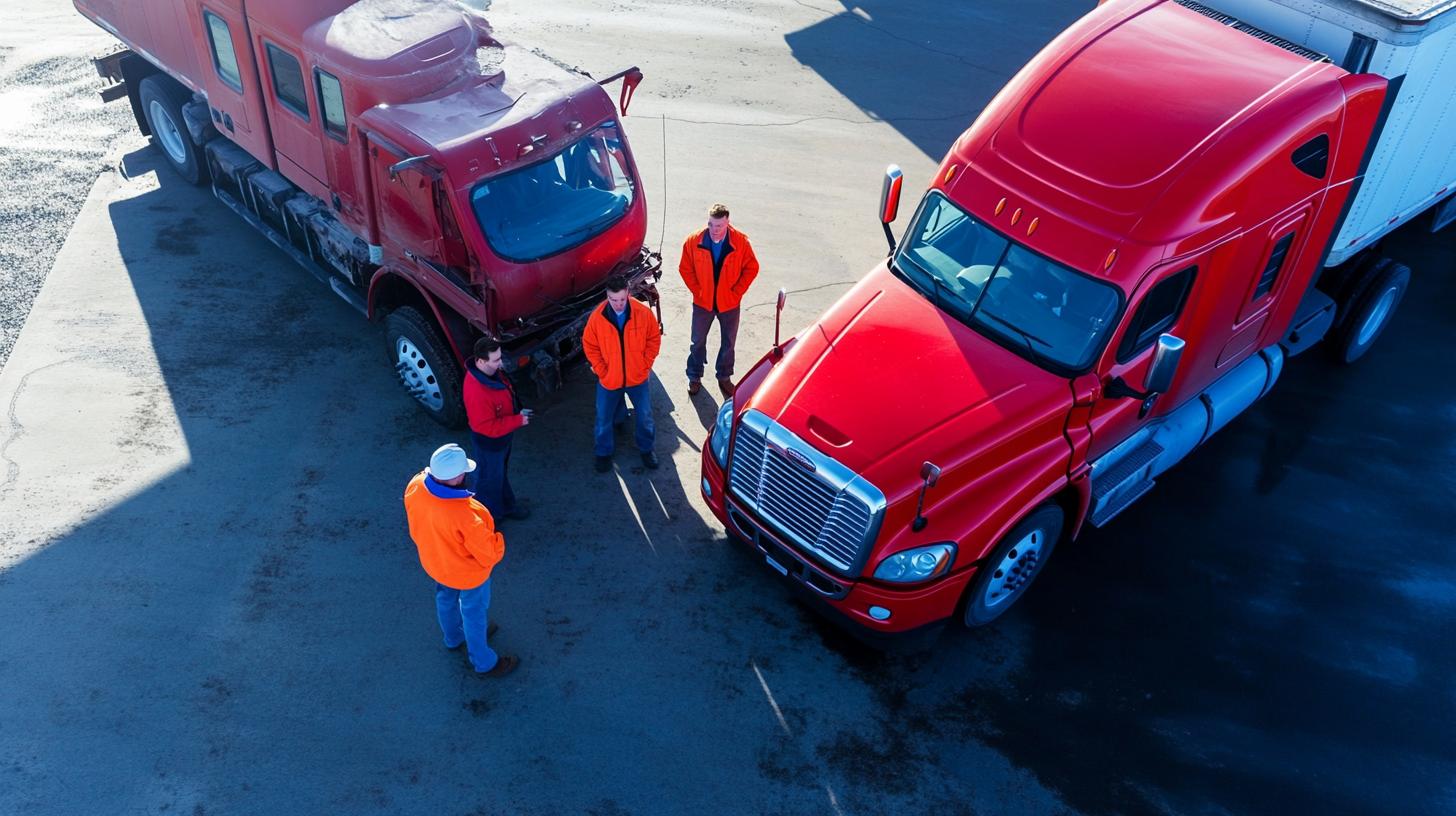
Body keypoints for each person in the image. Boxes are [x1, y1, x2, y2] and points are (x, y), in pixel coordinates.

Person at [403, 443, 519, 678]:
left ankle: (453, 637)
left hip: (437, 564)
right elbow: (489, 554)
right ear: (457, 477)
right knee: (474, 614)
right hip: (468, 575)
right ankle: (485, 662)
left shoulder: (415, 486)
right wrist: (498, 541)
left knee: (445, 599)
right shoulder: (465, 516)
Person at [582, 274, 662, 472]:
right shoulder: (597, 317)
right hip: (610, 380)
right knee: (603, 418)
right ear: (607, 296)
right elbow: (590, 345)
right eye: (613, 300)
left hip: (638, 377)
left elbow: (654, 338)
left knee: (644, 415)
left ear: (628, 294)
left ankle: (646, 449)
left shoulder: (642, 313)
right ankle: (603, 453)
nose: (618, 305)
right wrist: (602, 371)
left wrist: (645, 364)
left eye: (621, 299)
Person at [679, 202, 760, 398]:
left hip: (729, 304)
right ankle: (694, 376)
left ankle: (724, 376)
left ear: (728, 223)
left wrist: (736, 292)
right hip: (702, 303)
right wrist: (697, 291)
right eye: (711, 225)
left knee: (728, 342)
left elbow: (752, 267)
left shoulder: (740, 242)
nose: (714, 230)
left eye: (719, 226)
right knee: (697, 341)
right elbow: (685, 268)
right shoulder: (693, 241)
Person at [463, 336, 532, 521]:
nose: (500, 363)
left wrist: (516, 413)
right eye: (496, 360)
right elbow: (486, 426)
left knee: (497, 476)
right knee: (488, 482)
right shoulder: (477, 391)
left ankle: (506, 507)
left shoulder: (489, 372)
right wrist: (518, 420)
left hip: (500, 439)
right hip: (490, 443)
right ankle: (490, 519)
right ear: (480, 361)